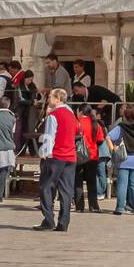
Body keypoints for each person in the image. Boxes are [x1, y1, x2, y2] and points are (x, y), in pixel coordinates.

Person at [37, 87, 80, 232]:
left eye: (50, 97)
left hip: (56, 155)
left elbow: (50, 136)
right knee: (66, 190)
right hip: (70, 156)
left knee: (46, 187)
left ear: (57, 99)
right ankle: (64, 222)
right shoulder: (71, 114)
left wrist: (44, 153)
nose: (48, 100)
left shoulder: (54, 115)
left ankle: (48, 219)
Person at [74, 104, 105, 213]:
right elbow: (100, 141)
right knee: (92, 182)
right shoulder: (96, 124)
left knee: (78, 181)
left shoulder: (77, 122)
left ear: (80, 111)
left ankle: (79, 206)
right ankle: (94, 206)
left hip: (79, 156)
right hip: (93, 156)